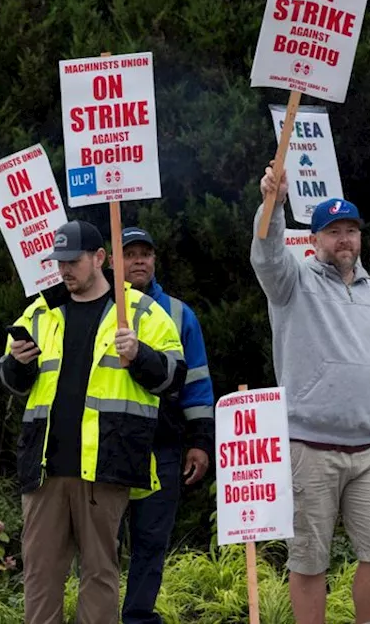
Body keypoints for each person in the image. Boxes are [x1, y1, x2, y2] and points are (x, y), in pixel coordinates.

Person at [250, 164, 370, 624]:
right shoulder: (292, 284)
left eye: (351, 230)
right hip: (309, 447)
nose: (344, 239)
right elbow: (267, 255)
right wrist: (273, 204)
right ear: (314, 240)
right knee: (309, 558)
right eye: (333, 231)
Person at [0, 220, 186, 624]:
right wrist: (16, 363)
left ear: (99, 258)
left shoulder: (141, 311)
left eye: (73, 260)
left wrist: (141, 355)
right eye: (58, 261)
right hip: (45, 469)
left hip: (105, 466)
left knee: (100, 575)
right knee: (40, 576)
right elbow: (12, 381)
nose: (64, 269)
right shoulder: (40, 311)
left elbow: (175, 377)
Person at [117, 226, 215, 624]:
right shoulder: (95, 309)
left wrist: (201, 442)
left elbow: (198, 383)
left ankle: (138, 618)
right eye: (130, 253)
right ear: (112, 260)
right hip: (105, 446)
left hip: (162, 445)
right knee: (100, 543)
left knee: (151, 540)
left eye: (146, 253)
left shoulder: (178, 314)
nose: (139, 260)